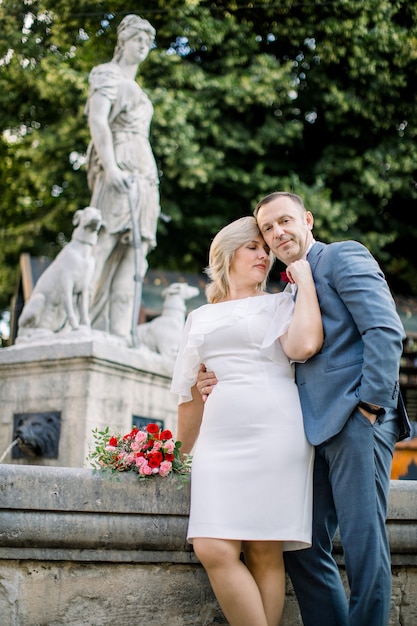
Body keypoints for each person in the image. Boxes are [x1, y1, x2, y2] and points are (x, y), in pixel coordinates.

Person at [197, 192, 411, 626]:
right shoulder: (286, 290)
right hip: (310, 432)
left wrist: (369, 406)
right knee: (303, 544)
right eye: (268, 229)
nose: (277, 233)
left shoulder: (342, 257)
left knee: (362, 544)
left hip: (357, 421)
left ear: (307, 219)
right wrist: (215, 377)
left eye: (284, 221)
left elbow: (386, 330)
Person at [171, 216, 323, 626]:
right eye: (252, 246)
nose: (264, 254)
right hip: (220, 437)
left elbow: (307, 346)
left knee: (263, 548)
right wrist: (175, 455)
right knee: (212, 546)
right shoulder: (198, 317)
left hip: (277, 427)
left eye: (265, 248)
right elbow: (189, 395)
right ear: (226, 254)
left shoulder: (283, 302)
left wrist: (304, 280)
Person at [85, 14, 160, 340]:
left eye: (147, 41)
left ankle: (119, 332)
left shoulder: (137, 88)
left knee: (136, 255)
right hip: (121, 166)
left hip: (145, 175)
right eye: (137, 39)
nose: (143, 46)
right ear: (123, 42)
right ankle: (80, 320)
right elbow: (98, 120)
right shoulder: (108, 75)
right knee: (103, 243)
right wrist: (111, 166)